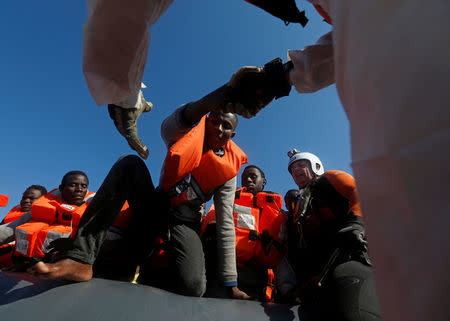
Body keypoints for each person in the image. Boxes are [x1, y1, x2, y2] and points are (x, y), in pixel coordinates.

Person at [28, 85, 251, 300]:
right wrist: (213, 100)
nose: (219, 129)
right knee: (130, 163)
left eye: (226, 126)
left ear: (233, 134)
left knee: (193, 287)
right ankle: (80, 259)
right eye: (215, 120)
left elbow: (225, 224)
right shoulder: (184, 132)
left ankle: (150, 273)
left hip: (185, 221)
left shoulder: (229, 171)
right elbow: (170, 124)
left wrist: (231, 283)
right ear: (207, 117)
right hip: (156, 205)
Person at [283, 149, 380, 320]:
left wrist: (356, 223)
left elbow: (360, 192)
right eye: (292, 169)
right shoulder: (297, 206)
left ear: (316, 167)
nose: (296, 170)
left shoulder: (329, 180)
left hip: (351, 257)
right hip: (317, 278)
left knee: (355, 313)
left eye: (301, 165)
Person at [201, 165, 293, 301]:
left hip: (262, 278)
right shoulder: (228, 200)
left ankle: (288, 293)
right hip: (229, 272)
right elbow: (209, 226)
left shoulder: (280, 212)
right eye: (244, 178)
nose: (248, 180)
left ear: (264, 182)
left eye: (253, 177)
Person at [0, 172, 93, 267]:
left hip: (65, 265)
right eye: (73, 185)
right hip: (28, 266)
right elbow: (10, 228)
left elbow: (97, 239)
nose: (79, 189)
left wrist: (75, 243)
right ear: (61, 188)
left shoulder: (92, 210)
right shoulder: (43, 207)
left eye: (84, 186)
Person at [0, 185, 47, 268]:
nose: (26, 200)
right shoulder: (15, 209)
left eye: (31, 198)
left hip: (16, 261)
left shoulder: (44, 217)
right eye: (24, 198)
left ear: (42, 200)